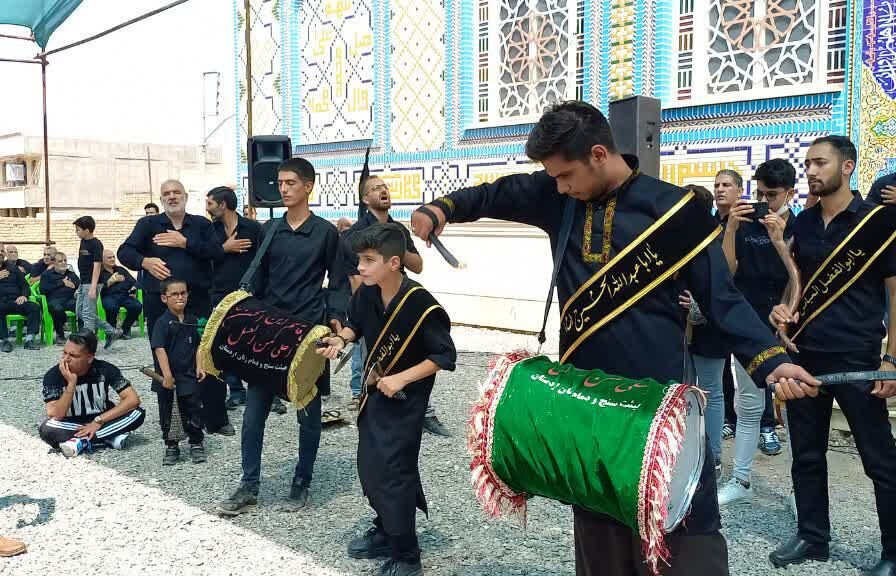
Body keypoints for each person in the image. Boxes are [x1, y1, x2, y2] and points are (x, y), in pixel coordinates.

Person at [409, 100, 819, 575]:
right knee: (599, 520)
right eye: (554, 179)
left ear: (599, 153)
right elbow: (500, 193)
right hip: (587, 398)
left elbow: (721, 300)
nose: (559, 187)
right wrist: (443, 208)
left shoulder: (674, 211)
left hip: (659, 403)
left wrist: (770, 363)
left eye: (566, 176)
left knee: (681, 528)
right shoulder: (558, 196)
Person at [769, 136, 896, 576]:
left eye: (819, 163)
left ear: (848, 167)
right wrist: (785, 309)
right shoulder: (802, 224)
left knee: (880, 461)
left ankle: (893, 552)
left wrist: (892, 359)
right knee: (805, 454)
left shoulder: (880, 222)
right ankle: (812, 536)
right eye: (807, 164)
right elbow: (799, 286)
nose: (810, 171)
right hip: (805, 355)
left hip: (859, 356)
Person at [319, 223, 456, 576]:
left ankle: (408, 555)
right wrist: (341, 341)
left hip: (406, 403)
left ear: (394, 263)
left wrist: (400, 378)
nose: (360, 267)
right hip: (373, 397)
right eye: (359, 260)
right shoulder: (368, 292)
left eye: (367, 260)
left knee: (394, 472)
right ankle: (385, 528)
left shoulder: (421, 304)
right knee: (371, 466)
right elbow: (357, 326)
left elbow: (444, 356)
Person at [215, 157, 349, 516]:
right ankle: (249, 485)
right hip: (269, 334)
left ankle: (301, 483)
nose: (284, 188)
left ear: (308, 186)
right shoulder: (270, 229)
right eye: (280, 182)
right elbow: (255, 277)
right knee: (254, 412)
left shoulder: (325, 233)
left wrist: (336, 319)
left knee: (307, 413)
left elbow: (337, 284)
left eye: (291, 182)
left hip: (307, 335)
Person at [118, 179, 233, 436]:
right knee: (166, 362)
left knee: (207, 356)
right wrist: (144, 261)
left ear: (185, 196)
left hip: (198, 301)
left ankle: (216, 419)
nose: (172, 196)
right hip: (161, 306)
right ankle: (173, 427)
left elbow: (217, 252)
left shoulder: (202, 225)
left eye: (176, 192)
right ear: (161, 199)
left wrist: (185, 243)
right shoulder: (148, 225)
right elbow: (124, 251)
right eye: (166, 193)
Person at [716, 159, 796, 507]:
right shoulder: (744, 222)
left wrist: (781, 239)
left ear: (790, 193)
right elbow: (728, 271)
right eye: (760, 193)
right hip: (750, 325)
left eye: (772, 195)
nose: (765, 201)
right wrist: (731, 229)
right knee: (748, 404)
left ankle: (800, 491)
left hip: (789, 325)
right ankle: (742, 478)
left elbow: (802, 276)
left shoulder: (802, 224)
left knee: (798, 411)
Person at [342, 175, 450, 435]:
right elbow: (356, 277)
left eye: (385, 187)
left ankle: (424, 412)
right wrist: (364, 313)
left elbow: (418, 266)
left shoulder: (398, 231)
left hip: (402, 304)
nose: (383, 191)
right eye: (375, 189)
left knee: (413, 356)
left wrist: (394, 248)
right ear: (365, 199)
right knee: (370, 360)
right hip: (372, 307)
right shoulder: (355, 234)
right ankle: (366, 402)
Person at [38, 330, 145, 458]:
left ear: (89, 357)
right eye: (64, 353)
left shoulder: (104, 369)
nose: (66, 359)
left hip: (103, 420)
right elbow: (55, 414)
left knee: (137, 413)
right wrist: (71, 384)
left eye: (73, 355)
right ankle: (108, 437)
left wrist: (98, 422)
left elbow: (133, 400)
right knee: (47, 428)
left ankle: (81, 441)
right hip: (72, 424)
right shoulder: (53, 375)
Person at [206, 186, 260, 411]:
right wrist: (223, 248)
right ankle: (236, 390)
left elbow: (264, 260)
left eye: (210, 203)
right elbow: (202, 255)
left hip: (249, 295)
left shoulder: (253, 228)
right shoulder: (209, 230)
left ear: (223, 204)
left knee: (255, 343)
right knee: (224, 343)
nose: (206, 207)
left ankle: (264, 389)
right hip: (219, 294)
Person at [151, 278, 207, 465]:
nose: (180, 297)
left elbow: (199, 346)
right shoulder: (162, 323)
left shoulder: (192, 320)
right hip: (169, 378)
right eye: (174, 294)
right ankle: (172, 445)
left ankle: (196, 442)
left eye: (183, 293)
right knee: (168, 412)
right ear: (164, 298)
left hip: (189, 375)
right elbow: (159, 349)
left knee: (193, 409)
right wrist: (166, 375)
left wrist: (199, 366)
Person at [73, 216, 121, 347]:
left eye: (78, 229)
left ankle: (87, 345)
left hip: (92, 282)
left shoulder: (96, 244)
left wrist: (93, 287)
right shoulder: (83, 241)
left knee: (88, 314)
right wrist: (80, 287)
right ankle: (111, 331)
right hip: (84, 282)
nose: (76, 232)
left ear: (87, 230)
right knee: (80, 312)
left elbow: (97, 265)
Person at [0, 242, 41, 352]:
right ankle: (4, 341)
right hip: (1, 302)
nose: (0, 253)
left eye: (1, 251)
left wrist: (24, 295)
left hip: (16, 300)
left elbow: (25, 285)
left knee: (34, 307)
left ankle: (29, 340)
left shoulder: (13, 268)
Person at [99, 250, 142, 339]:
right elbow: (97, 288)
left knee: (137, 306)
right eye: (109, 257)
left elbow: (135, 282)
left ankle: (124, 330)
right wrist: (111, 281)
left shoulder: (121, 270)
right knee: (111, 307)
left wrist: (133, 288)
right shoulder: (99, 273)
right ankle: (112, 331)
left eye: (113, 257)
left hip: (124, 295)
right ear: (102, 260)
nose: (112, 259)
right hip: (108, 296)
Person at [40, 252, 80, 345]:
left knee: (82, 306)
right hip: (54, 300)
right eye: (60, 261)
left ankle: (82, 334)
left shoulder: (71, 274)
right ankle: (60, 335)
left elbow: (79, 285)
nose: (63, 263)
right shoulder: (47, 275)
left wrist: (74, 285)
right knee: (57, 309)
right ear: (54, 263)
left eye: (65, 260)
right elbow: (43, 290)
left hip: (70, 300)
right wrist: (62, 283)